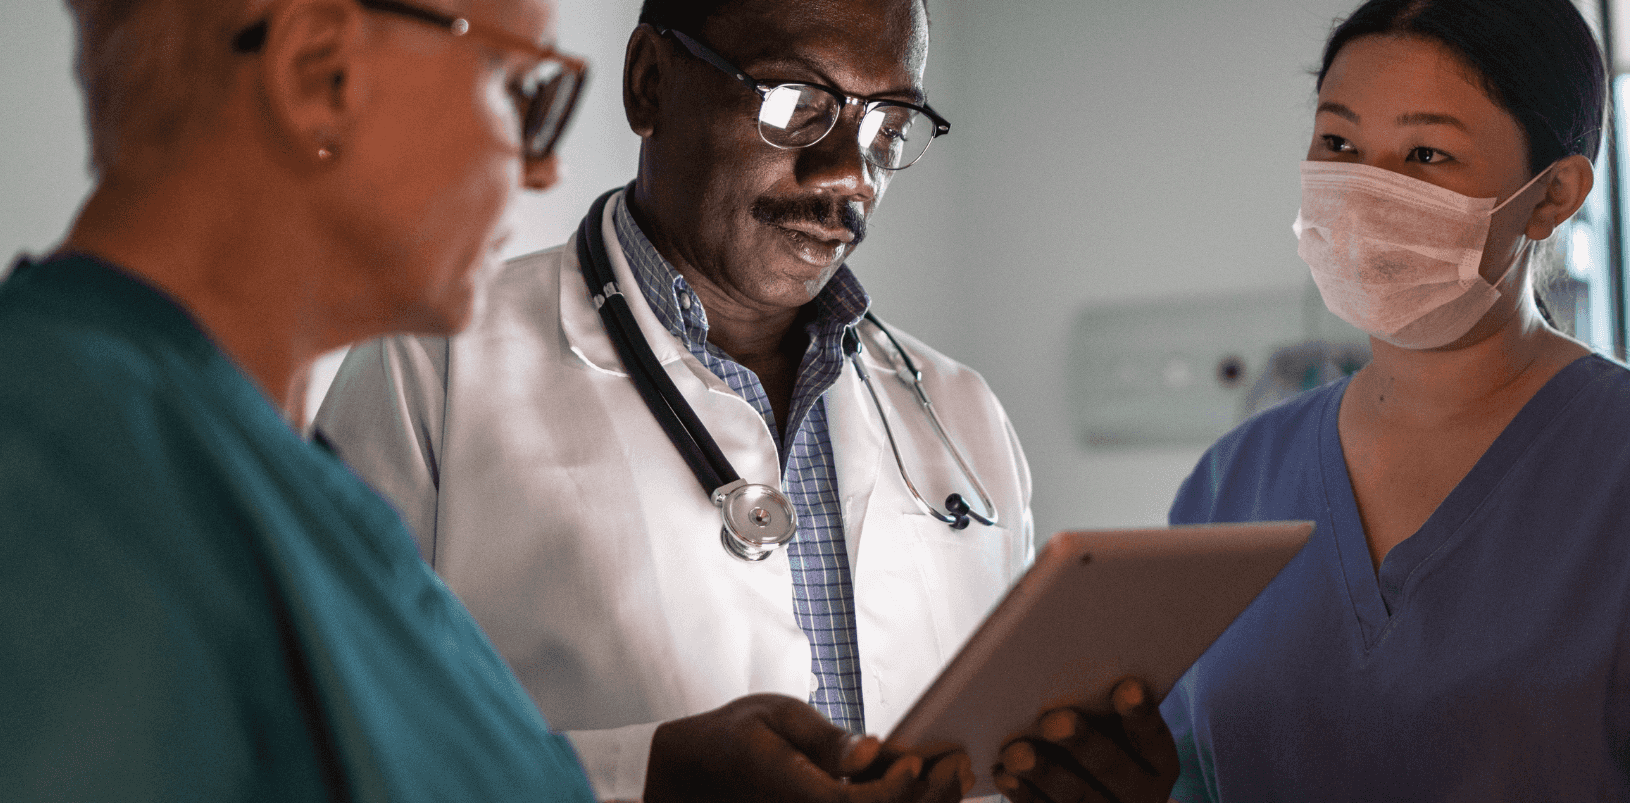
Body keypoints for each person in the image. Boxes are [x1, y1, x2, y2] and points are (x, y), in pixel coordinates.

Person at [0, 0, 972, 800]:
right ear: (322, 75)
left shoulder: (270, 480)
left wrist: (657, 777)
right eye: (523, 90)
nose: (534, 170)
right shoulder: (8, 451)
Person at [316, 0, 1179, 800]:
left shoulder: (958, 410)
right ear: (650, 83)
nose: (850, 175)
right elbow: (318, 740)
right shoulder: (430, 367)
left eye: (887, 126)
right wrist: (642, 777)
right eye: (797, 102)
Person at [1160, 0, 1630, 800]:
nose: (1368, 192)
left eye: (1426, 154)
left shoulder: (1611, 461)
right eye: (1339, 143)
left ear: (1552, 195)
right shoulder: (1232, 482)